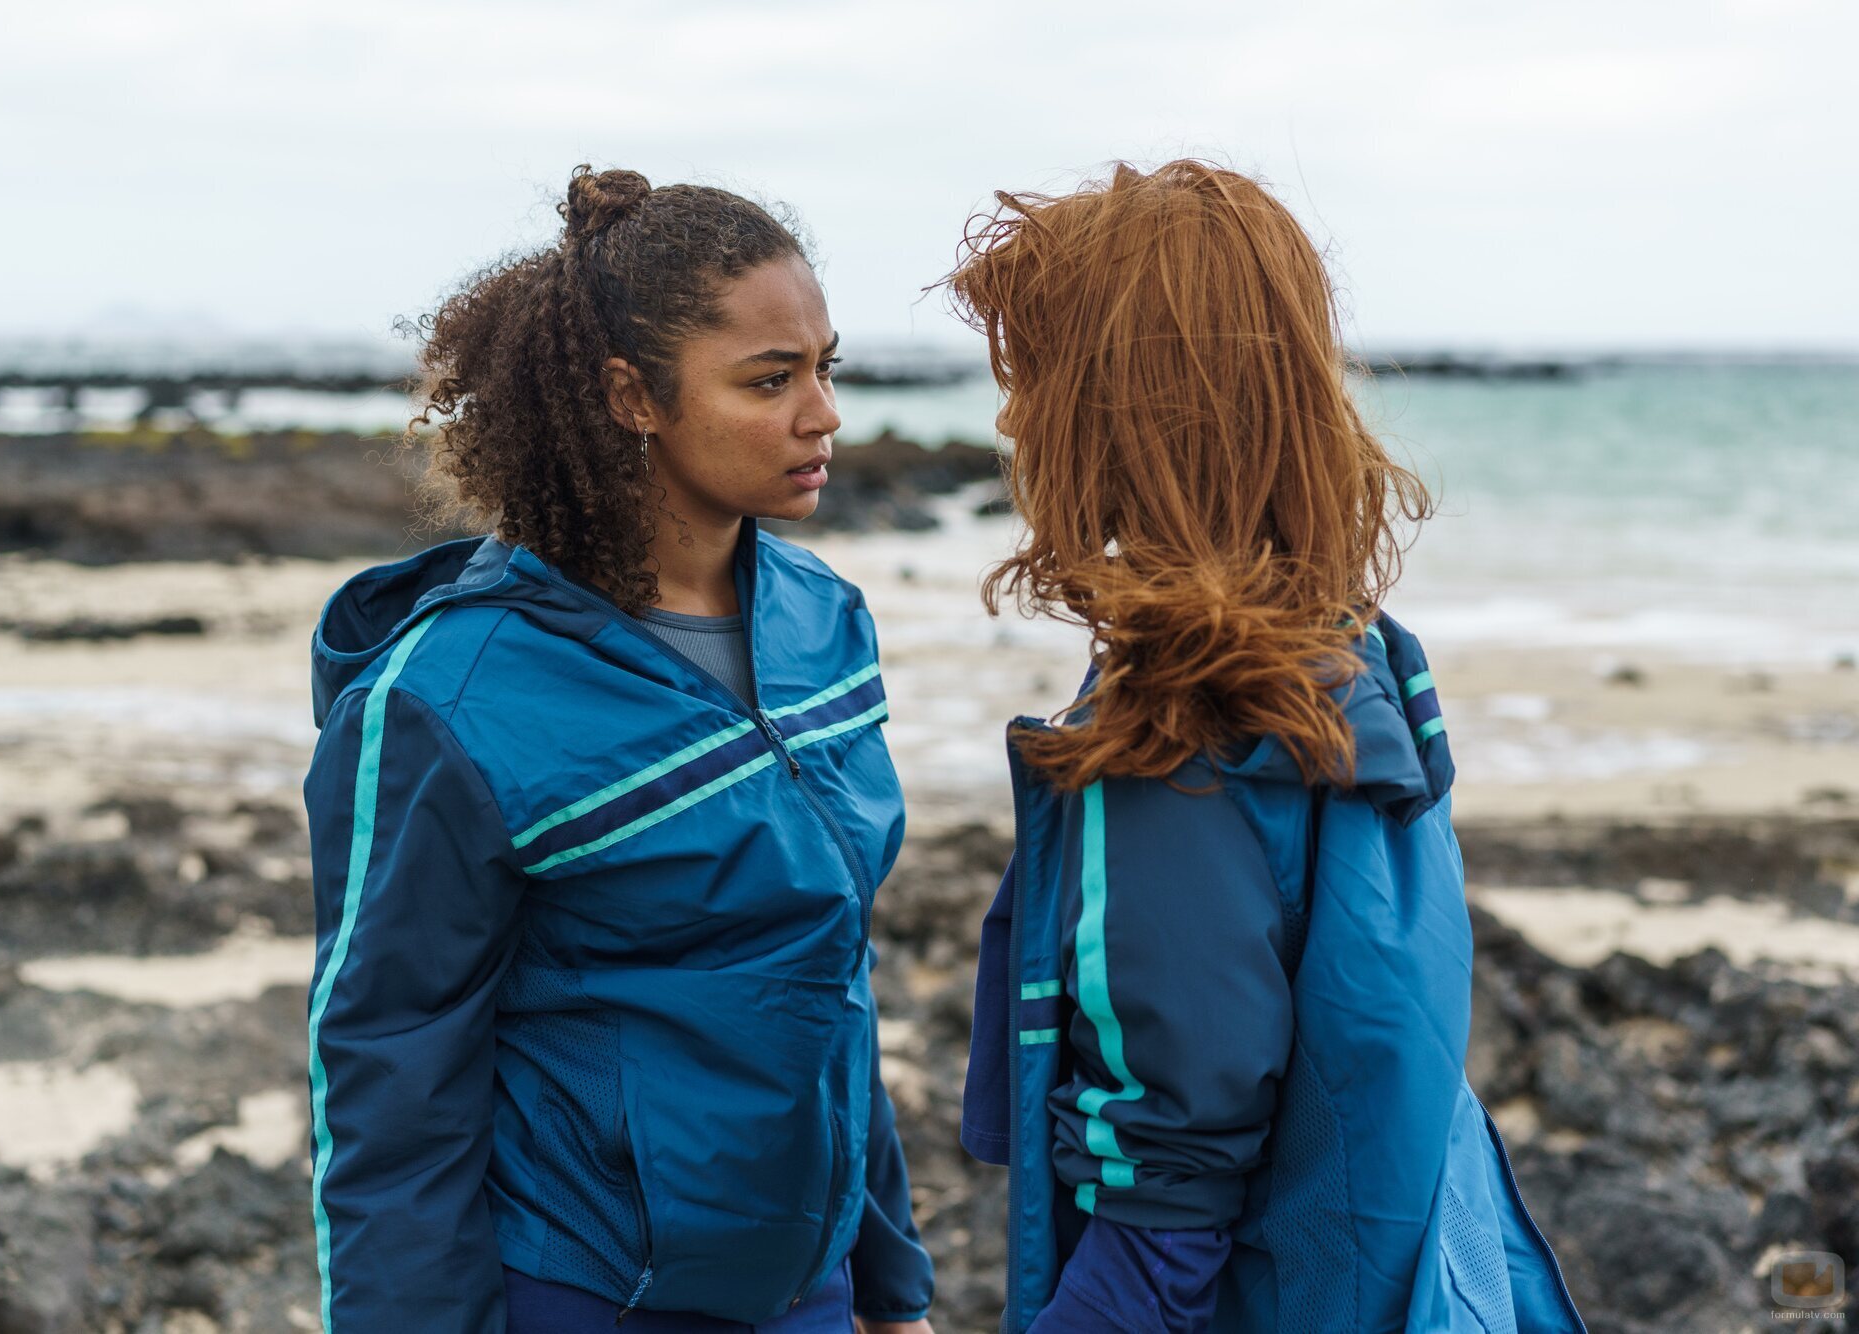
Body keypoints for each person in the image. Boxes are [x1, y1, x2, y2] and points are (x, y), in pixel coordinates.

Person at [948, 160, 1588, 1332]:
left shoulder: (1179, 725)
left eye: (1031, 377)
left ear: (1121, 411)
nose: (1009, 419)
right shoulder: (1350, 660)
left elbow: (1165, 1217)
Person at [302, 166, 935, 1334]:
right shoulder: (447, 699)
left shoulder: (823, 619)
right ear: (629, 395)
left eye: (825, 365)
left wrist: (889, 1281)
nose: (824, 413)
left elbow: (828, 981)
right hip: (592, 1296)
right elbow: (391, 1080)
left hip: (811, 1287)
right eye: (769, 378)